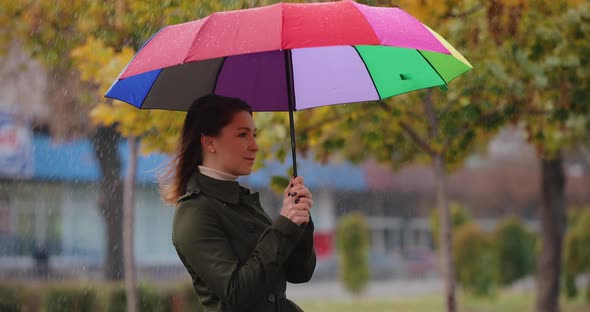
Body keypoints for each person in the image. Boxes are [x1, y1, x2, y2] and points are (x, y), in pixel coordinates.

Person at [160, 94, 316, 312]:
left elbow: (300, 273)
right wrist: (283, 226)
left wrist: (298, 220)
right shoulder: (195, 212)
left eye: (254, 135)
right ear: (209, 142)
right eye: (242, 135)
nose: (254, 146)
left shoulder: (244, 202)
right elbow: (237, 292)